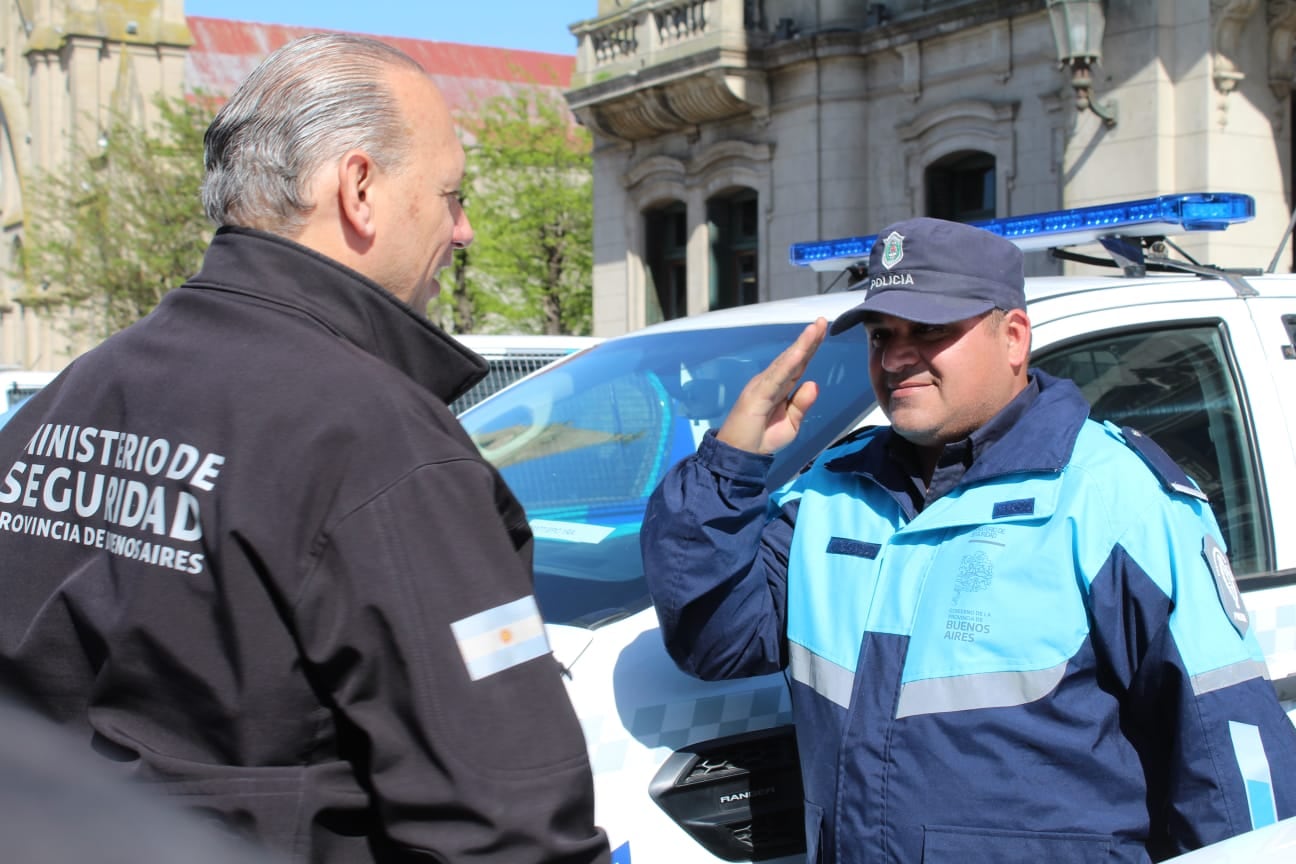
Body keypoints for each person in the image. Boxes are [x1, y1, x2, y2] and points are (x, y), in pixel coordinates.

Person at [0, 33, 610, 864]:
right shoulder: (379, 444)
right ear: (359, 188)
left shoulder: (73, 395)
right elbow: (514, 830)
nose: (462, 231)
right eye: (451, 195)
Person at [640, 216, 1296, 863]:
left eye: (928, 331)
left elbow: (1227, 759)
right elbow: (716, 640)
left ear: (1013, 338)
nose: (896, 357)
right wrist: (729, 465)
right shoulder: (830, 491)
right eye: (880, 335)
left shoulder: (1113, 495)